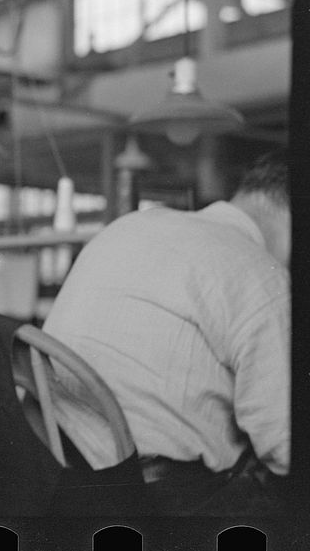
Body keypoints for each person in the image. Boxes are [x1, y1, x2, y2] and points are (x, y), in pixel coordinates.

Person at [42, 149, 291, 515]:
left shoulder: (127, 226)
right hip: (162, 500)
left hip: (55, 474)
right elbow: (284, 445)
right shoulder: (262, 273)